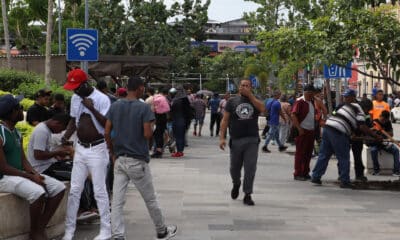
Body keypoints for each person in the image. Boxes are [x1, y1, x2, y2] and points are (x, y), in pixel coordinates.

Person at [105, 76, 177, 240]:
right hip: (137, 159)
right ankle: (161, 231)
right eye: (143, 87)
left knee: (117, 201)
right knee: (150, 199)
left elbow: (107, 132)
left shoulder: (115, 106)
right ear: (139, 88)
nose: (144, 89)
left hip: (119, 159)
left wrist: (112, 152)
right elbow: (147, 134)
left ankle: (117, 235)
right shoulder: (144, 108)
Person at [0, 94, 65, 240]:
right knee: (38, 193)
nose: (23, 109)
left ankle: (38, 229)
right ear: (11, 113)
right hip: (4, 178)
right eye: (19, 108)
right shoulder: (1, 133)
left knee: (59, 188)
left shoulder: (16, 132)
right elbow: (3, 167)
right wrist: (31, 177)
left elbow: (23, 160)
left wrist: (36, 174)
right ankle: (35, 232)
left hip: (17, 174)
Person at [61, 69, 111, 240]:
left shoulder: (102, 99)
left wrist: (92, 108)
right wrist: (65, 137)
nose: (74, 90)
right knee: (75, 190)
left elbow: (106, 125)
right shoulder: (75, 98)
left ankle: (106, 230)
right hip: (80, 148)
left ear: (85, 84)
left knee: (99, 190)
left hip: (97, 149)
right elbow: (73, 121)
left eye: (76, 87)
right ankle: (69, 230)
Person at [311, 89, 382, 188]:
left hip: (328, 128)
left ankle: (315, 176)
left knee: (324, 154)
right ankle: (345, 181)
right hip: (338, 131)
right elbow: (362, 126)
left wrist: (354, 134)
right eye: (367, 111)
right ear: (366, 108)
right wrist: (375, 136)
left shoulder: (347, 106)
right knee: (344, 157)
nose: (367, 113)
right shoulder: (360, 110)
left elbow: (350, 123)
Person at [219, 79, 265, 206]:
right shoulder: (232, 101)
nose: (244, 87)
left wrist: (250, 96)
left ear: (251, 87)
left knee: (250, 168)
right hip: (236, 139)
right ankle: (236, 183)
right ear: (239, 87)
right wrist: (222, 137)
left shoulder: (255, 100)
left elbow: (263, 109)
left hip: (252, 140)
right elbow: (225, 120)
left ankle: (247, 194)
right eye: (242, 85)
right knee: (234, 168)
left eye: (247, 86)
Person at [291, 85, 315, 181]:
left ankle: (305, 172)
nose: (312, 95)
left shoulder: (311, 101)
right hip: (303, 130)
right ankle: (298, 173)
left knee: (308, 153)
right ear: (306, 92)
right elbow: (293, 115)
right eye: (311, 93)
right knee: (300, 153)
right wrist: (299, 128)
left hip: (311, 130)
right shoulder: (300, 101)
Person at [369, 110, 400, 176]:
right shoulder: (374, 122)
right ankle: (376, 170)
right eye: (383, 120)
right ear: (380, 116)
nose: (384, 122)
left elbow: (391, 134)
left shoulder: (388, 122)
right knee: (373, 150)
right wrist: (376, 133)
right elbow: (370, 133)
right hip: (376, 143)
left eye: (385, 120)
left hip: (385, 143)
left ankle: (396, 171)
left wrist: (382, 132)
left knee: (396, 150)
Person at [170, 86, 192, 157]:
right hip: (183, 120)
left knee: (179, 136)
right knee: (181, 136)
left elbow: (172, 109)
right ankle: (180, 151)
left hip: (178, 119)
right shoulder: (185, 99)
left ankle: (179, 151)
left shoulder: (177, 100)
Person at [151, 88, 171, 158]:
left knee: (158, 134)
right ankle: (159, 150)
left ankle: (158, 151)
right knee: (159, 134)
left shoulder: (158, 98)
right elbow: (167, 109)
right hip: (163, 117)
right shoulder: (164, 99)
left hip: (159, 117)